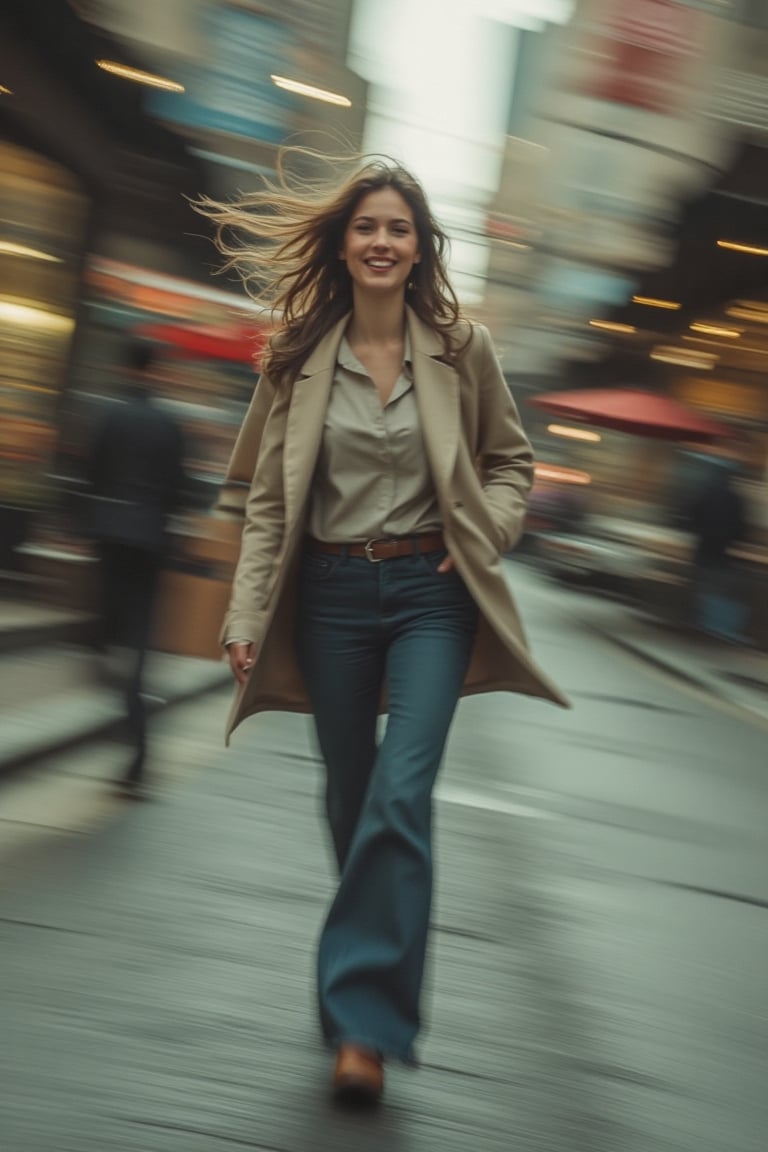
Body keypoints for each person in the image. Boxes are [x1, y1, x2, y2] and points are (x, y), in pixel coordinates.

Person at [195, 152, 568, 1105]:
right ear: (344, 241)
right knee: (352, 805)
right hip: (326, 596)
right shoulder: (295, 358)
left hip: (431, 595)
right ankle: (363, 996)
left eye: (399, 227)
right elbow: (270, 504)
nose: (382, 241)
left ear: (420, 246)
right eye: (367, 226)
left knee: (402, 797)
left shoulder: (461, 348)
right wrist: (245, 612)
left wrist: (485, 529)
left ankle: (362, 1027)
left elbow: (510, 464)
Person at [84, 339, 186, 798]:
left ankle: (109, 665)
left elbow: (91, 473)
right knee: (141, 638)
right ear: (156, 371)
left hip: (110, 536)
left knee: (110, 627)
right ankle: (138, 744)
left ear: (125, 368)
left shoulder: (109, 415)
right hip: (150, 541)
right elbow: (179, 489)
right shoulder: (169, 424)